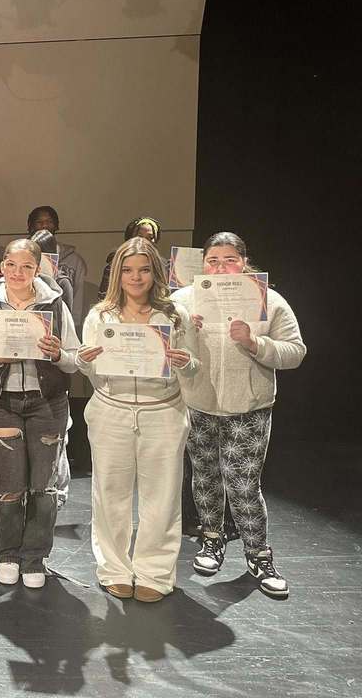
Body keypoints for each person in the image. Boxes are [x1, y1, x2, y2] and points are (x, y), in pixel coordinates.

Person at [172, 232, 306, 599]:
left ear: (244, 261)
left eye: (229, 259)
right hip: (199, 402)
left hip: (248, 407)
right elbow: (161, 346)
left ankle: (259, 555)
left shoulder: (269, 300)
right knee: (204, 476)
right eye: (213, 260)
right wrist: (185, 330)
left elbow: (295, 351)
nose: (220, 266)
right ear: (203, 264)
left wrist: (254, 343)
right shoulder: (183, 300)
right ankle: (212, 540)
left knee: (244, 484)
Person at [77, 237, 198, 602]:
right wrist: (84, 360)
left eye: (144, 269)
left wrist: (186, 363)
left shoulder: (176, 315)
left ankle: (154, 573)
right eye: (128, 270)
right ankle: (114, 568)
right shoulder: (101, 315)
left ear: (156, 273)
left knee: (160, 498)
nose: (136, 277)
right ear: (117, 274)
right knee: (109, 495)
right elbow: (91, 370)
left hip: (162, 412)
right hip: (110, 411)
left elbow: (195, 367)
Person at [0, 239, 81, 588]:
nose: (19, 273)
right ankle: (7, 554)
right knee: (9, 486)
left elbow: (75, 360)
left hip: (46, 403)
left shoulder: (54, 304)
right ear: (2, 266)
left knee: (43, 485)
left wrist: (58, 353)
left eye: (27, 267)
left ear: (38, 269)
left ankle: (35, 557)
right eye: (12, 265)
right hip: (3, 404)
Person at [29, 228, 76, 508]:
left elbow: (64, 321)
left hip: (52, 369)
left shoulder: (60, 284)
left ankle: (59, 489)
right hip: (24, 369)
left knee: (58, 436)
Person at [28, 206, 88, 323]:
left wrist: (74, 324)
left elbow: (78, 297)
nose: (44, 226)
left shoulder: (74, 260)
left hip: (61, 322)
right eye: (39, 222)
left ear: (56, 225)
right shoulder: (19, 257)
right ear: (30, 226)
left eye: (49, 222)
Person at [97, 217, 161, 300]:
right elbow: (104, 297)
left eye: (150, 237)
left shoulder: (161, 266)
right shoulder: (115, 265)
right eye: (140, 236)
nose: (144, 241)